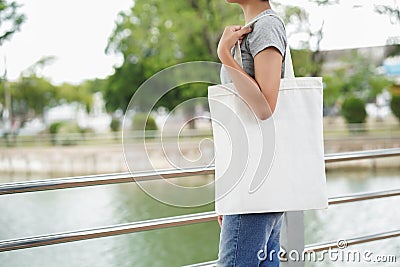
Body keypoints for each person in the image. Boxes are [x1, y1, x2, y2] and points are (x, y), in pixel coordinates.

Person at [216, 0, 288, 266]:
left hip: (254, 183)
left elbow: (265, 106)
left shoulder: (266, 26)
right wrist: (225, 194)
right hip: (252, 180)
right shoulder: (252, 28)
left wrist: (225, 55)